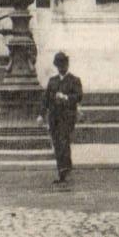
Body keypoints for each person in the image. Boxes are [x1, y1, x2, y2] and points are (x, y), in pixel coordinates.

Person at [39, 51, 83, 185]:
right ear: (57, 66)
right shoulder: (52, 81)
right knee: (57, 144)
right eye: (60, 65)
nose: (62, 67)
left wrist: (66, 98)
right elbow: (46, 100)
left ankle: (66, 171)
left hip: (67, 117)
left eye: (64, 64)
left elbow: (79, 96)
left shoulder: (74, 80)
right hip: (54, 118)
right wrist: (41, 115)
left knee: (64, 142)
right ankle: (61, 172)